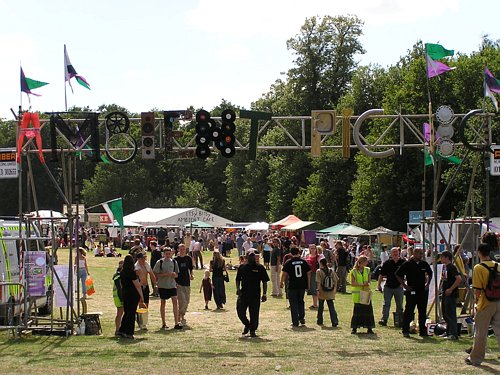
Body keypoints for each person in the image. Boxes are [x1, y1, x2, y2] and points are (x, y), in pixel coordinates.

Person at [466, 243, 500, 366]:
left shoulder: (478, 268)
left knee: (481, 332)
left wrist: (476, 303)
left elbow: (478, 290)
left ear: (479, 253)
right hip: (498, 301)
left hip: (486, 302)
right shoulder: (498, 265)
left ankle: (475, 359)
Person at [395, 247, 433, 338]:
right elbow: (398, 274)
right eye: (419, 253)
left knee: (422, 311)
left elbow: (430, 273)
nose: (421, 255)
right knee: (409, 311)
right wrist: (405, 286)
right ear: (414, 254)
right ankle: (405, 330)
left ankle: (422, 331)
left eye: (422, 253)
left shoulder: (424, 264)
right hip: (411, 291)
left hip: (422, 291)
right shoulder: (407, 263)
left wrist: (427, 284)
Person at [236, 251, 270, 337]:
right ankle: (247, 324)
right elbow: (237, 279)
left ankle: (252, 330)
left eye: (253, 256)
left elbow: (264, 281)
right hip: (243, 294)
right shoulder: (242, 267)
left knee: (254, 313)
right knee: (240, 311)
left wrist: (264, 294)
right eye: (250, 256)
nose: (251, 258)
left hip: (255, 295)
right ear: (246, 257)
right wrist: (238, 289)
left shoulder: (260, 268)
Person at [280, 247, 311, 327]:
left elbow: (284, 274)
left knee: (293, 303)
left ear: (291, 253)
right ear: (298, 252)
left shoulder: (289, 262)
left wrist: (281, 282)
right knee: (301, 301)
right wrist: (308, 284)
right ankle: (301, 317)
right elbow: (308, 273)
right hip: (302, 285)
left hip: (292, 285)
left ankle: (295, 321)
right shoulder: (304, 262)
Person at [153, 247, 182, 330]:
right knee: (163, 303)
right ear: (163, 254)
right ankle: (163, 323)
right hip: (162, 285)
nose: (168, 255)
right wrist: (166, 274)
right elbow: (156, 275)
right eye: (166, 254)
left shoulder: (174, 262)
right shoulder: (160, 262)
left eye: (169, 253)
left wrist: (174, 275)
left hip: (172, 285)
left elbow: (177, 274)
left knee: (175, 302)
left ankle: (176, 322)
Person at [117, 255, 145, 339]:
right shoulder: (132, 273)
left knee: (127, 312)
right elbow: (137, 285)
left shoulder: (122, 272)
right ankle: (129, 332)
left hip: (125, 293)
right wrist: (142, 296)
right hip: (133, 294)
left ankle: (122, 330)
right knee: (132, 313)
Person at [377, 247, 405, 326]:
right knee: (386, 304)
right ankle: (384, 319)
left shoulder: (403, 262)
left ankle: (400, 320)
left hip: (399, 287)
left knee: (399, 305)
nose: (395, 254)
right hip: (388, 287)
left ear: (399, 253)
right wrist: (378, 285)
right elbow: (381, 274)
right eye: (393, 252)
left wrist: (403, 284)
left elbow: (408, 274)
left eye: (396, 252)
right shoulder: (387, 263)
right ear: (391, 254)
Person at [439, 250, 462, 340]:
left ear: (447, 258)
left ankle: (453, 333)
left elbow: (459, 279)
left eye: (442, 257)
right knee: (445, 313)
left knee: (451, 313)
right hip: (445, 293)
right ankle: (448, 331)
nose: (441, 259)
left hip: (451, 294)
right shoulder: (445, 267)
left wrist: (451, 289)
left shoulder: (452, 267)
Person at [350, 255, 375, 334]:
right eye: (366, 261)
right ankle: (354, 328)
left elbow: (369, 280)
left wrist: (367, 283)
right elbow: (353, 283)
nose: (367, 263)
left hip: (366, 292)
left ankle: (369, 328)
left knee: (368, 311)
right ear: (362, 262)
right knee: (357, 311)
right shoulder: (353, 271)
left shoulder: (367, 270)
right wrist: (362, 284)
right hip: (357, 294)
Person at [134, 252, 157, 331]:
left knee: (146, 305)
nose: (144, 260)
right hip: (139, 287)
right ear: (138, 259)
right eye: (143, 258)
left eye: (145, 258)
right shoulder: (136, 267)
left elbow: (152, 274)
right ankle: (141, 323)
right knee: (141, 304)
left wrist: (155, 285)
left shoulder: (146, 265)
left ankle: (143, 321)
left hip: (145, 286)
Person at [316, 258, 339, 327]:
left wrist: (318, 290)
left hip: (322, 291)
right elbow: (336, 280)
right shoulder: (331, 270)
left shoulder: (319, 271)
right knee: (331, 306)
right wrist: (334, 289)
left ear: (320, 263)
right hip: (330, 291)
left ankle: (319, 320)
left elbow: (319, 282)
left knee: (320, 306)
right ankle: (334, 321)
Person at [175, 244, 194, 326]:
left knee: (187, 301)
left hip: (187, 282)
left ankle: (181, 315)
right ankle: (181, 317)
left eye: (184, 249)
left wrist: (192, 275)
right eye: (181, 249)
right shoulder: (175, 260)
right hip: (179, 283)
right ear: (178, 250)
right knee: (182, 301)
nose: (182, 250)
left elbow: (191, 268)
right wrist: (174, 282)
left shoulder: (188, 258)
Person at [305, 244, 320, 309]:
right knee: (311, 288)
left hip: (315, 273)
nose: (312, 249)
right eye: (311, 248)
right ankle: (314, 303)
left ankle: (316, 304)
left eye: (313, 248)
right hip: (308, 274)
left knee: (315, 289)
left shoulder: (318, 256)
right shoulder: (307, 255)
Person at [112, 260, 124, 336]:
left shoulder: (117, 275)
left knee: (120, 313)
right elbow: (120, 289)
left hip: (117, 297)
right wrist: (122, 299)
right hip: (119, 297)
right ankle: (117, 329)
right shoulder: (118, 277)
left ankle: (119, 328)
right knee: (120, 313)